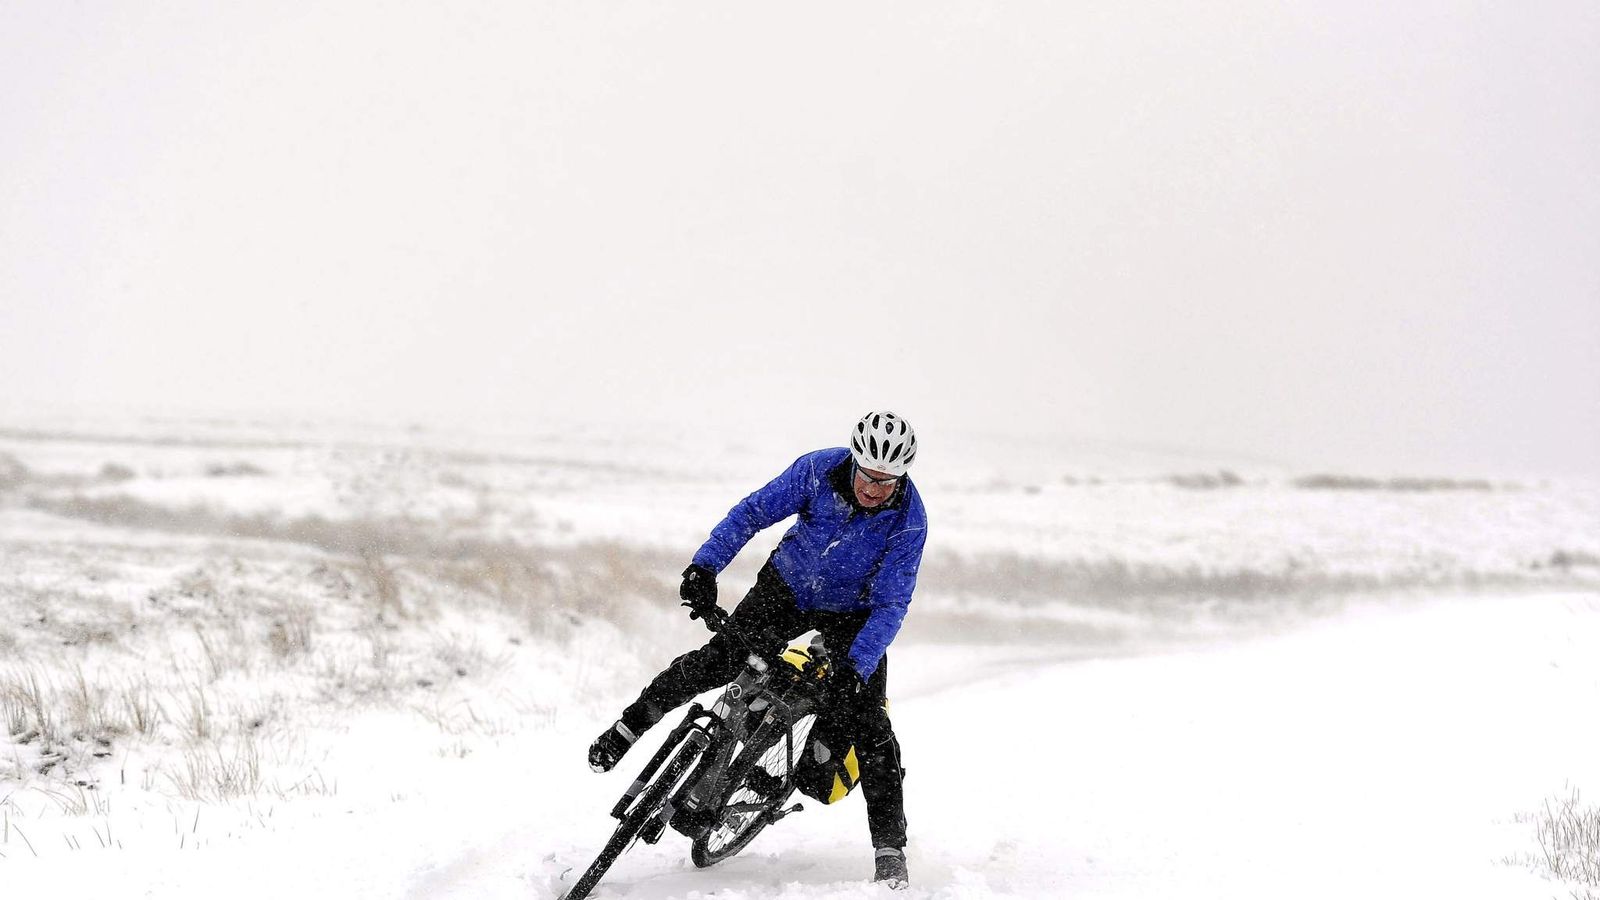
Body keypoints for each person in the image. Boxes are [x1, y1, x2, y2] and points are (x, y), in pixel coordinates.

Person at [587, 410, 927, 889]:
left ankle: (890, 847)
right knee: (717, 662)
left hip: (853, 613)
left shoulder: (910, 520)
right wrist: (704, 568)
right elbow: (751, 513)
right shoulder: (816, 470)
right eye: (868, 475)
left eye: (887, 481)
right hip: (787, 586)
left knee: (868, 723)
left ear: (902, 476)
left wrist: (856, 666)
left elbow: (893, 602)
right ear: (853, 460)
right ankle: (628, 727)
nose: (874, 488)